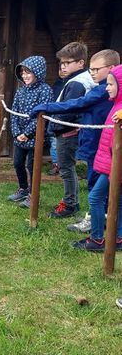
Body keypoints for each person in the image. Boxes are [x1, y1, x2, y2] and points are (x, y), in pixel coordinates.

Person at [29, 49, 120, 233]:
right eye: (91, 69)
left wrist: (47, 107)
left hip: (99, 146)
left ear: (111, 68)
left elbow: (76, 103)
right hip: (95, 144)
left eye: (96, 69)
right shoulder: (103, 89)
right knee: (99, 188)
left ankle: (98, 227)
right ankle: (103, 223)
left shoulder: (104, 90)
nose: (92, 73)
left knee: (97, 189)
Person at [71, 65, 122, 251]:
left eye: (110, 84)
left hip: (115, 165)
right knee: (119, 200)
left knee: (95, 197)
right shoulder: (116, 105)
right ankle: (118, 238)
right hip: (110, 163)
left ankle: (98, 238)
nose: (107, 88)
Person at [45, 42, 94, 218]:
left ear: (81, 63)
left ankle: (70, 204)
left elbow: (69, 111)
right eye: (62, 63)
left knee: (66, 169)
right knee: (67, 168)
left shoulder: (77, 83)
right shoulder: (78, 80)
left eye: (68, 62)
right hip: (69, 130)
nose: (64, 66)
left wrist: (54, 126)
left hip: (68, 132)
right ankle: (70, 201)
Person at [7, 56, 53, 209]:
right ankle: (23, 189)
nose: (25, 76)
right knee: (18, 163)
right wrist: (16, 132)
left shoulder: (45, 91)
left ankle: (34, 195)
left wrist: (27, 133)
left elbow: (42, 117)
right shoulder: (20, 91)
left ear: (38, 72)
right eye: (23, 72)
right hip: (19, 136)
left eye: (28, 72)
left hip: (36, 136)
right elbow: (14, 113)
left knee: (32, 166)